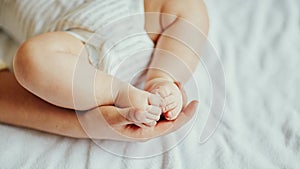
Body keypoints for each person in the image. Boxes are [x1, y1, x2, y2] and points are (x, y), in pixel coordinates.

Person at [0, 0, 208, 141]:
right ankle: (119, 92)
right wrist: (90, 123)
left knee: (187, 5)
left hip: (135, 13)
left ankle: (163, 78)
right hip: (76, 45)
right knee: (31, 58)